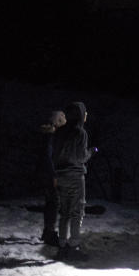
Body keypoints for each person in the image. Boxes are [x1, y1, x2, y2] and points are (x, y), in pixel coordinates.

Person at [50, 101, 94, 260]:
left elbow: (54, 155)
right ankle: (73, 246)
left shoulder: (59, 132)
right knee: (77, 212)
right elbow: (81, 157)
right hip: (75, 176)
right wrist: (91, 152)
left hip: (61, 176)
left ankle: (62, 244)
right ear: (81, 115)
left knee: (64, 212)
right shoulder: (80, 133)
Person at [37, 109, 66, 246]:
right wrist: (53, 175)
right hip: (48, 174)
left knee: (51, 202)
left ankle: (47, 232)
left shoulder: (49, 134)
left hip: (45, 173)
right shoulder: (49, 135)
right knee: (54, 202)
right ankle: (49, 233)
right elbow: (47, 157)